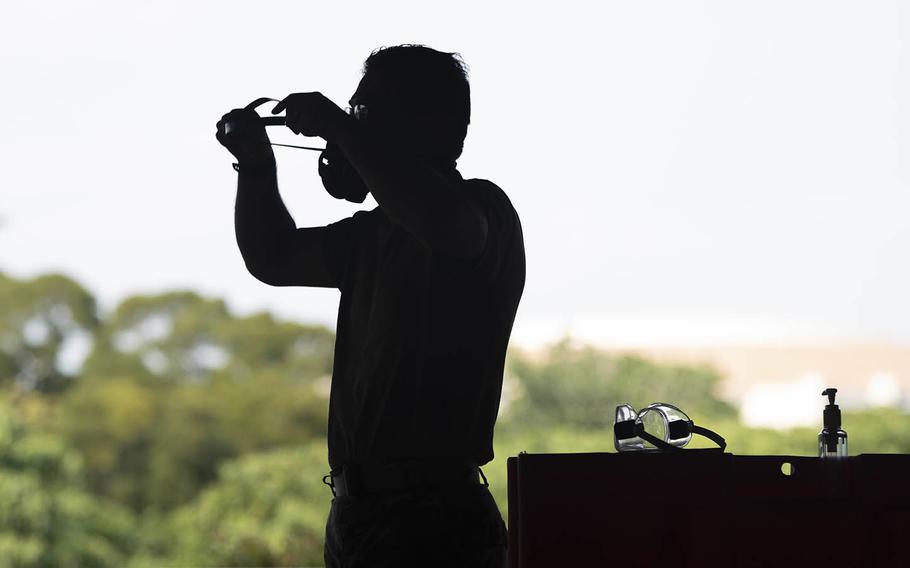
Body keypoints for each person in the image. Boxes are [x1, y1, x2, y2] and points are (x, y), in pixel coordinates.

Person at [215, 44, 525, 567]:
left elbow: (441, 221)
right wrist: (254, 165)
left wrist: (339, 127)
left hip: (433, 519)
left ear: (425, 124)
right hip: (361, 514)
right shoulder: (372, 237)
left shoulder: (482, 210)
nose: (346, 126)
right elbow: (273, 257)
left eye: (364, 110)